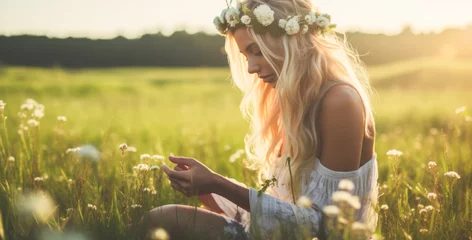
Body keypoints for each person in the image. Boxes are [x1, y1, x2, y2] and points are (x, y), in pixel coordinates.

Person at [135, 0, 378, 239]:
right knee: (160, 219)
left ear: (293, 40)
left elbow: (328, 227)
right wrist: (210, 190)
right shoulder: (295, 100)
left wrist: (219, 184)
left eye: (256, 50)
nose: (250, 67)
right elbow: (285, 207)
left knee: (162, 219)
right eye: (245, 55)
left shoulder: (340, 101)